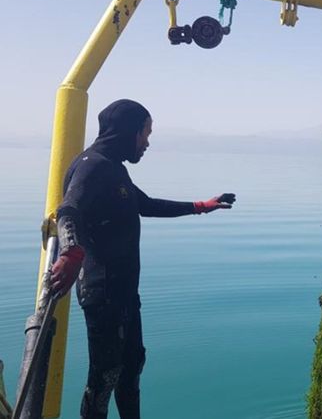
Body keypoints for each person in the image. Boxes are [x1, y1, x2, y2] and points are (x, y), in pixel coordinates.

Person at [48, 99, 236, 419]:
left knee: (132, 365)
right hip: (103, 291)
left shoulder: (113, 168)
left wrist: (202, 205)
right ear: (129, 131)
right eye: (145, 133)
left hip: (123, 293)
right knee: (105, 375)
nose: (147, 142)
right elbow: (69, 209)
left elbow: (145, 204)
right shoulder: (93, 165)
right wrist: (71, 251)